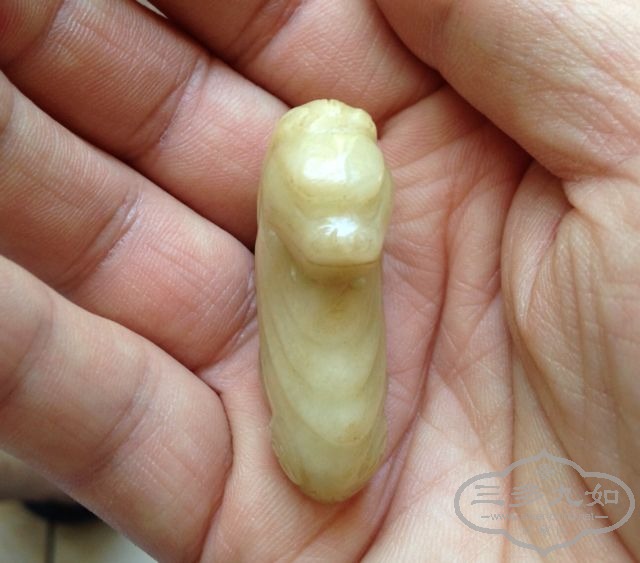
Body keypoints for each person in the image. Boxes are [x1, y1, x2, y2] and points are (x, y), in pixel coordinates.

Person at [0, 0, 637, 560]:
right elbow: (337, 243)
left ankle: (51, 497)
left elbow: (349, 245)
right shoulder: (309, 172)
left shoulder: (343, 171)